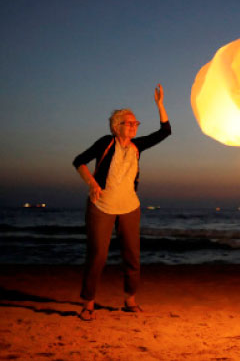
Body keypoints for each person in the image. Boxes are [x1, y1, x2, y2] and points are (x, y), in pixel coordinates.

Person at [72, 84, 171, 321]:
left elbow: (165, 131)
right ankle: (88, 302)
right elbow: (79, 161)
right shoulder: (106, 142)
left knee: (132, 255)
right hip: (102, 206)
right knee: (98, 255)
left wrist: (160, 104)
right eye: (130, 123)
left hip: (130, 207)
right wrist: (92, 184)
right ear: (117, 126)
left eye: (136, 123)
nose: (135, 126)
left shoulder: (138, 146)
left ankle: (130, 299)